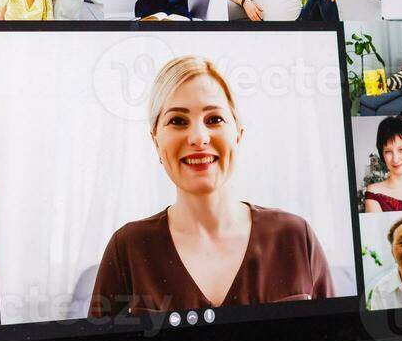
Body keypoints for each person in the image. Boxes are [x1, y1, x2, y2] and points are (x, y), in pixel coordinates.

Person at [89, 55, 335, 317]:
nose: (198, 137)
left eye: (214, 119)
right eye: (178, 121)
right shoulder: (128, 248)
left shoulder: (296, 237)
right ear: (155, 141)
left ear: (238, 134)